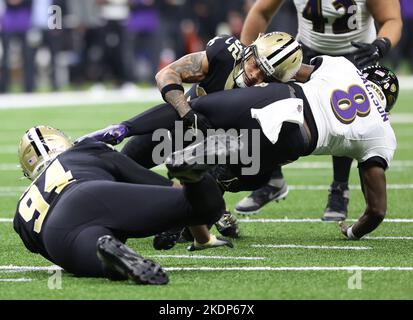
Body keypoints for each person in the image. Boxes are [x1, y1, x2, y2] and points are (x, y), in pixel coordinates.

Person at [85, 55, 399, 240]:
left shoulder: (343, 67)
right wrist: (352, 232)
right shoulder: (383, 133)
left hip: (282, 99)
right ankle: (184, 212)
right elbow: (377, 210)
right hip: (294, 140)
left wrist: (258, 76)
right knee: (223, 173)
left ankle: (122, 128)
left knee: (197, 108)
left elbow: (289, 68)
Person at [100, 31, 302, 244]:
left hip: (222, 146)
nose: (255, 75)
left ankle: (206, 209)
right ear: (249, 50)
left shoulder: (280, 95)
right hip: (184, 125)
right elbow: (167, 74)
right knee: (126, 162)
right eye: (255, 64)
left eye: (265, 76)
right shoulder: (225, 55)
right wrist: (187, 113)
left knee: (250, 170)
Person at [236, 0, 402, 221]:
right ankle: (272, 178)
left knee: (346, 120)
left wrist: (381, 44)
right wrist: (245, 55)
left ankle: (339, 189)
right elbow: (261, 11)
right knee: (266, 99)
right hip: (306, 52)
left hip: (357, 55)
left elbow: (391, 19)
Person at [14, 126, 234, 284]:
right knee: (206, 206)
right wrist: (202, 237)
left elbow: (49, 252)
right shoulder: (85, 150)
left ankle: (113, 259)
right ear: (64, 142)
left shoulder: (20, 212)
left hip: (57, 236)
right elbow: (176, 192)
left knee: (103, 262)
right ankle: (192, 172)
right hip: (87, 194)